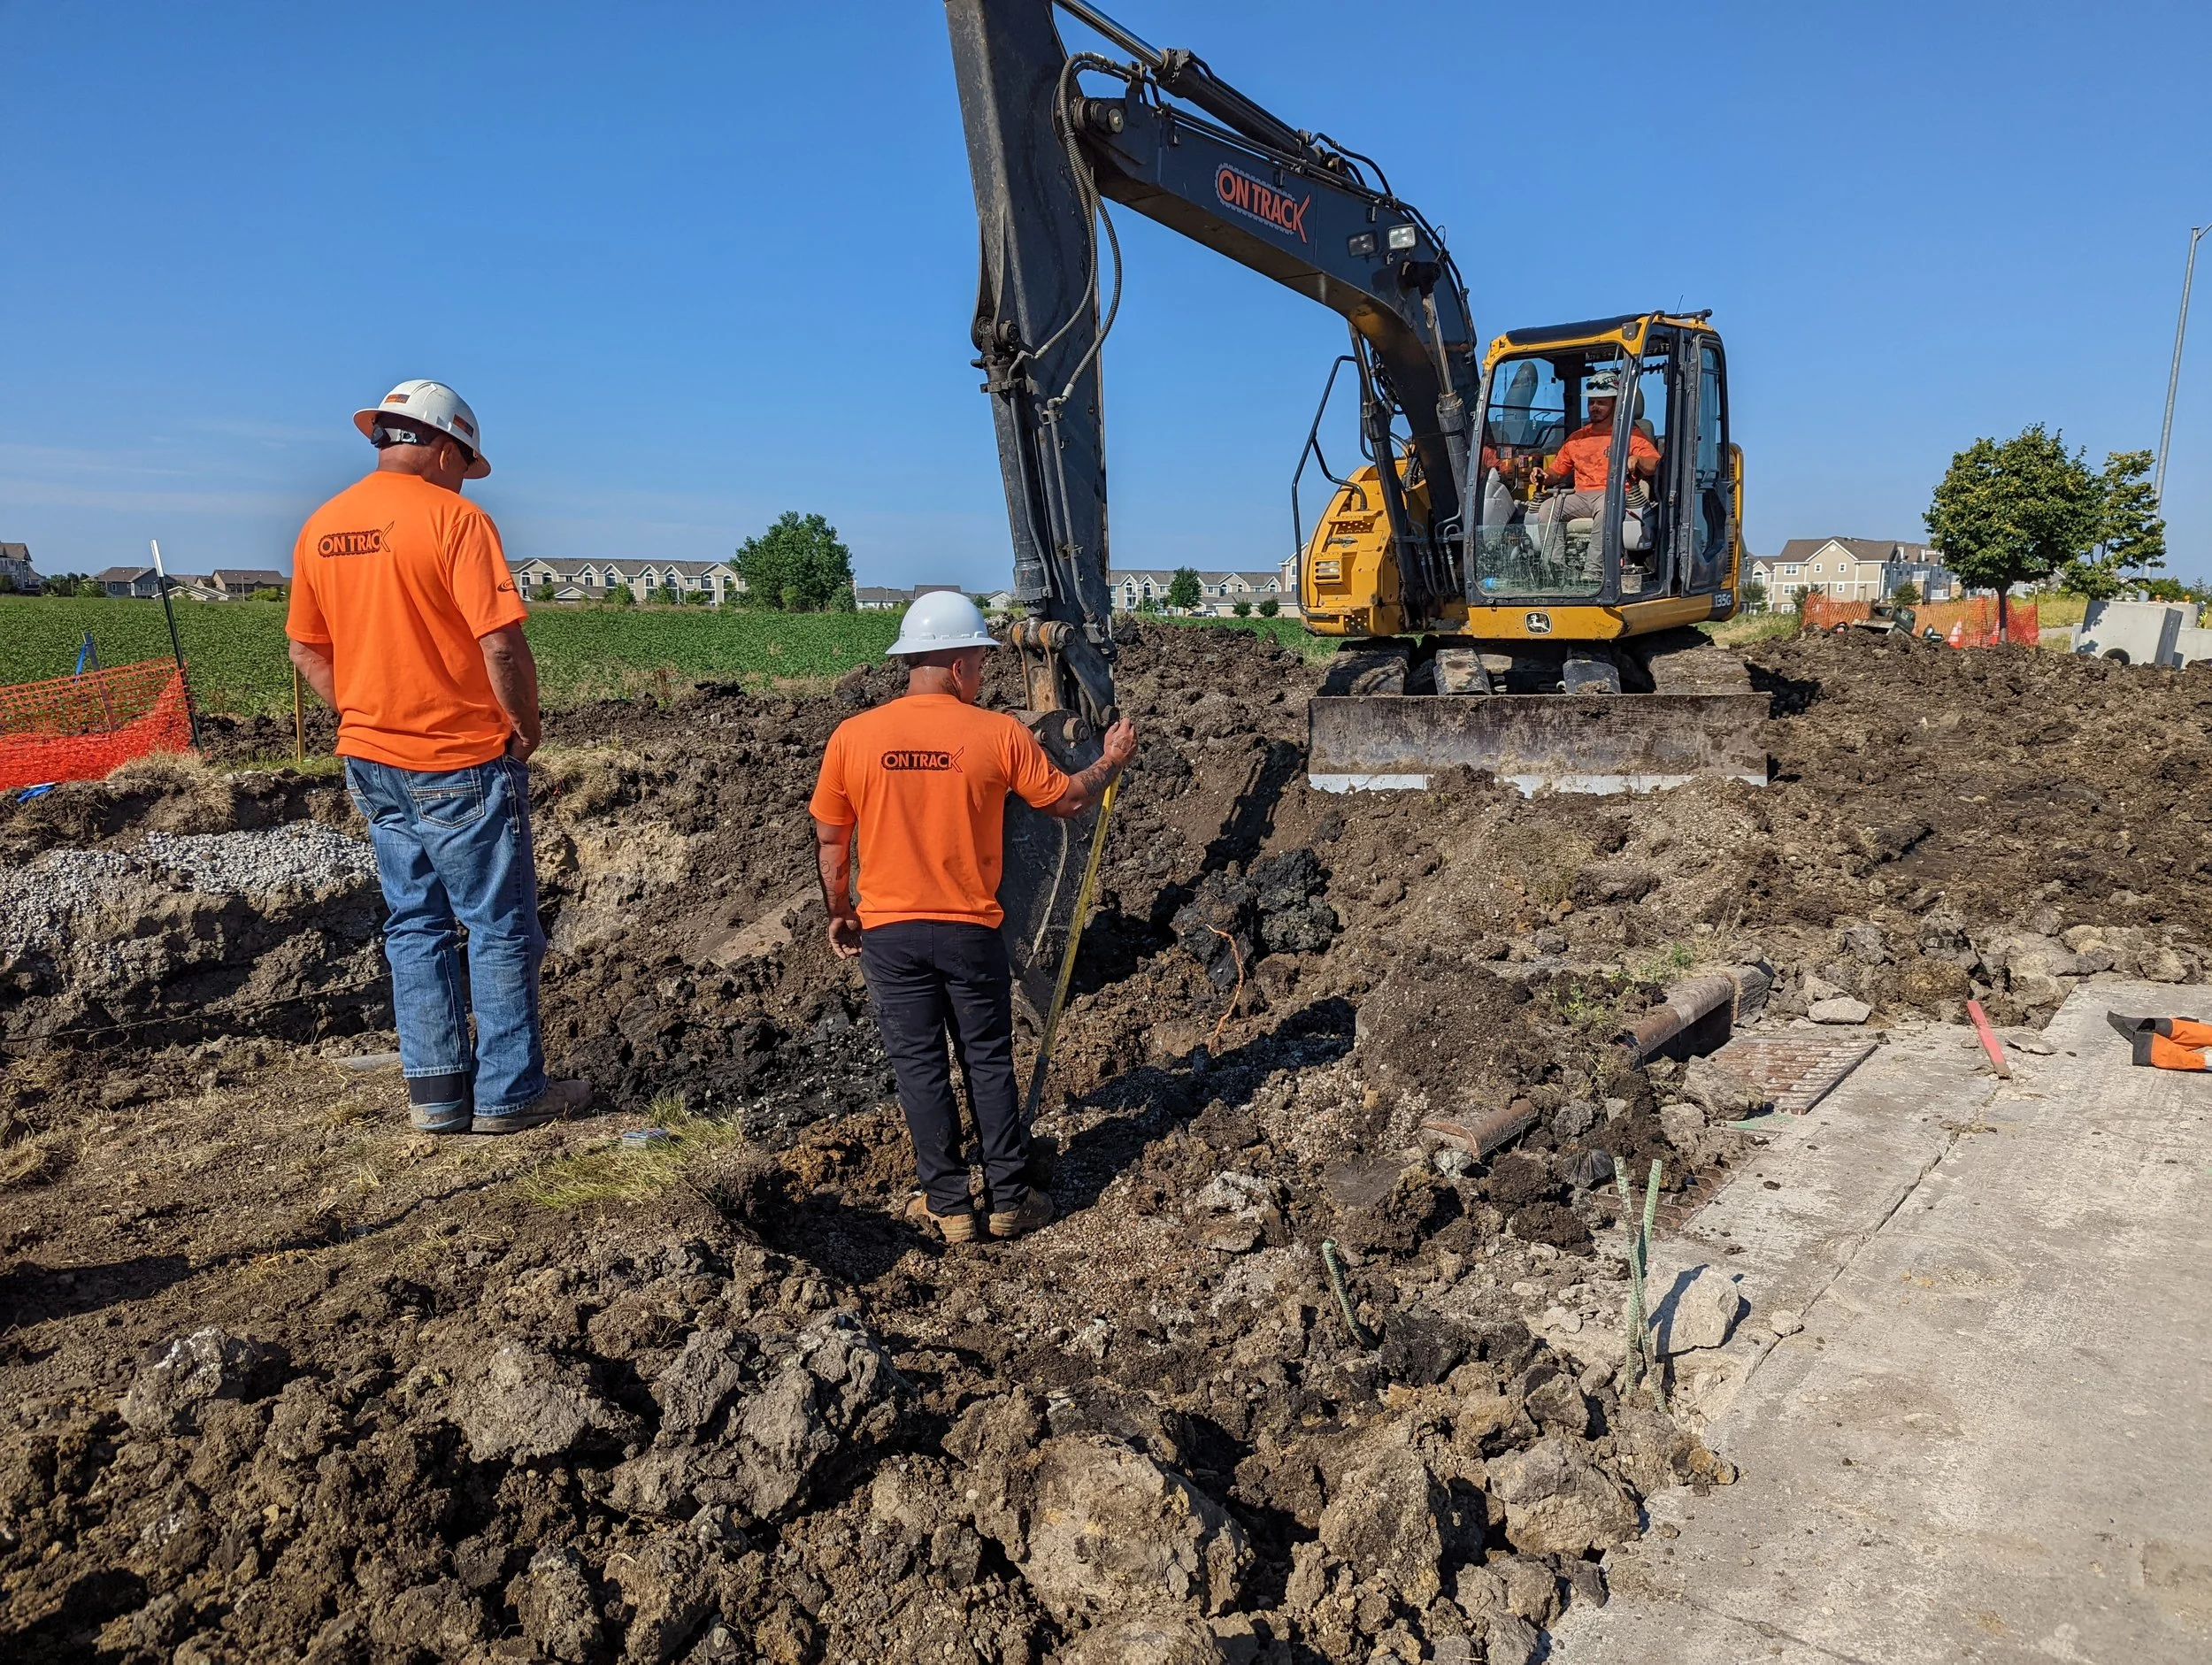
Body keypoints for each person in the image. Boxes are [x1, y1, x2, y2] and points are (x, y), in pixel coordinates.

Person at [286, 380, 590, 1136]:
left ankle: (437, 1098)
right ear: (447, 447)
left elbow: (304, 648)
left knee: (414, 922)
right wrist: (524, 725)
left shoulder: (322, 527)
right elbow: (498, 641)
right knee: (498, 926)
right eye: (467, 462)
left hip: (371, 758)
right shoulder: (456, 519)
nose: (466, 477)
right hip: (461, 758)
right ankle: (511, 1095)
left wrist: (363, 711)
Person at [809, 592, 1136, 1244]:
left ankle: (949, 1208)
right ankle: (1011, 1199)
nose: (983, 675)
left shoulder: (854, 736)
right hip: (969, 931)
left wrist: (842, 911)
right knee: (986, 1061)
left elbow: (830, 841)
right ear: (959, 665)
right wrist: (1112, 759)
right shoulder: (997, 734)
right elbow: (1068, 801)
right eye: (982, 663)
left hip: (891, 936)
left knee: (920, 1066)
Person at [1530, 369, 1661, 566]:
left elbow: (1655, 465)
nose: (1594, 407)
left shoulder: (1631, 434)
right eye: (1591, 402)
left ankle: (1594, 571)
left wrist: (1638, 460)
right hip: (1581, 496)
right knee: (1548, 507)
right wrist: (1543, 475)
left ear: (1615, 404)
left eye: (1601, 402)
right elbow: (1557, 472)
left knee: (1606, 505)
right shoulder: (1577, 438)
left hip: (1614, 495)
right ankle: (1555, 569)